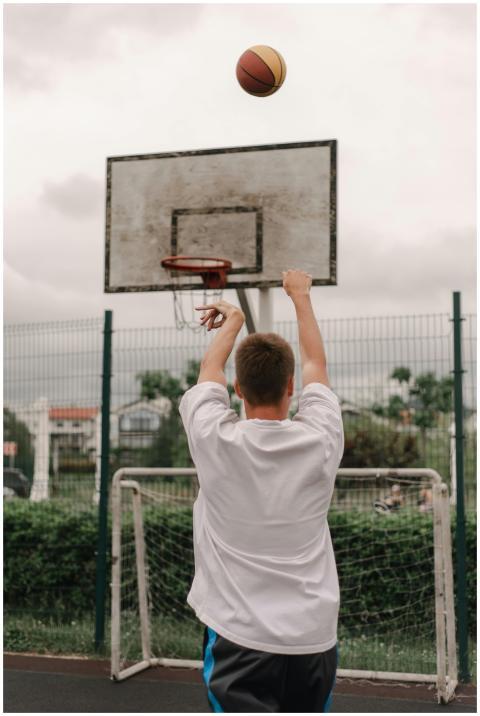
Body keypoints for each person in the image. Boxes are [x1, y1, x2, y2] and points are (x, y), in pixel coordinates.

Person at [179, 269, 344, 713]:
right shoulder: (322, 438)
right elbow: (316, 367)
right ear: (291, 387)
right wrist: (300, 296)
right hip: (313, 639)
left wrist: (232, 319)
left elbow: (208, 370)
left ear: (238, 390)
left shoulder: (214, 438)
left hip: (240, 639)